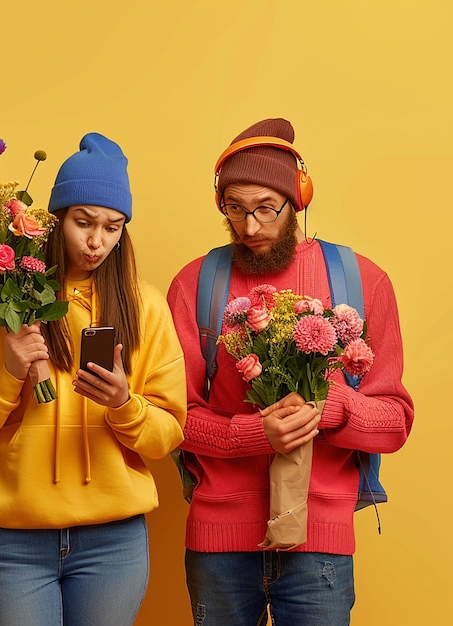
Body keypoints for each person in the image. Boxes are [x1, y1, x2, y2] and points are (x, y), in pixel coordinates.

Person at [0, 132, 187, 626]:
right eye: (83, 222)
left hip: (114, 541)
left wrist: (124, 404)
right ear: (54, 220)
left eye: (112, 228)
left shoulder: (145, 307)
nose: (96, 241)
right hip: (15, 540)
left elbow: (168, 433)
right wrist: (8, 377)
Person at [167, 118, 414, 625]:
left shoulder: (361, 280)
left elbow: (396, 421)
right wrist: (256, 433)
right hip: (218, 542)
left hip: (319, 545)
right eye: (234, 210)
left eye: (264, 209)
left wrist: (332, 409)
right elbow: (171, 419)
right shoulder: (196, 283)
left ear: (297, 198)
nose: (250, 227)